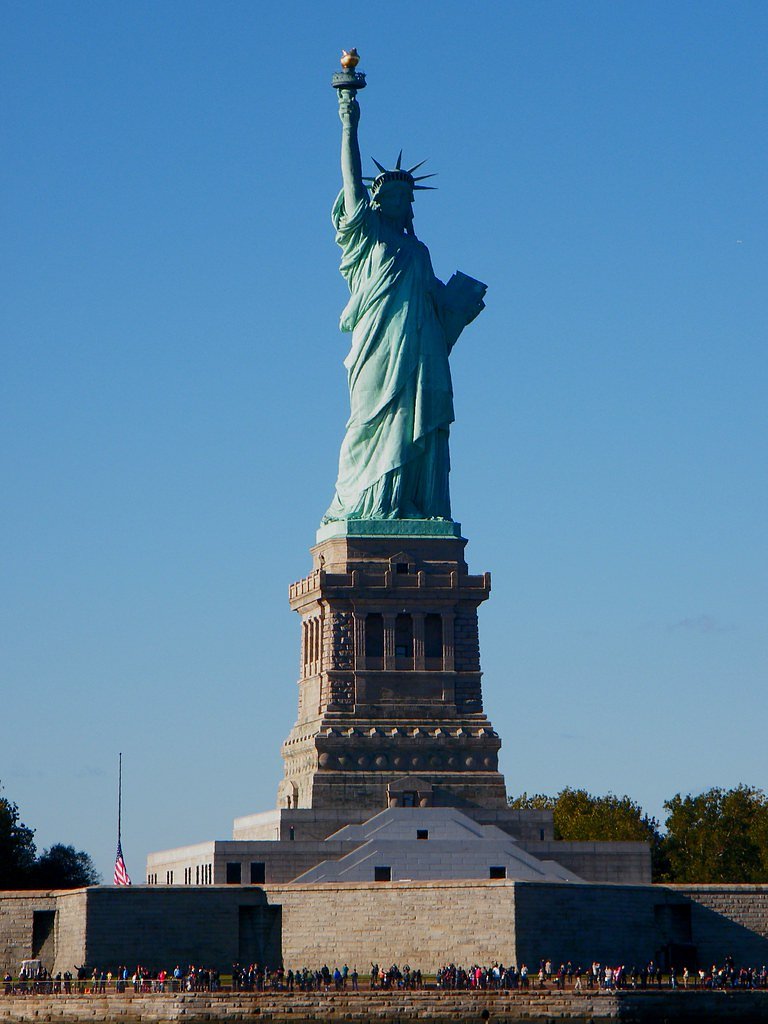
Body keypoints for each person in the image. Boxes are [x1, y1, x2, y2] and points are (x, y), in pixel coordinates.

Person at [323, 87, 486, 524]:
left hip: (419, 353)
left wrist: (461, 305)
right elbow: (350, 182)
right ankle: (366, 504)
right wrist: (348, 123)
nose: (397, 202)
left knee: (416, 422)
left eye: (404, 198)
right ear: (376, 203)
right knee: (367, 424)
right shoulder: (367, 239)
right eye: (389, 197)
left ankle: (408, 504)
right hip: (377, 348)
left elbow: (437, 307)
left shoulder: (419, 253)